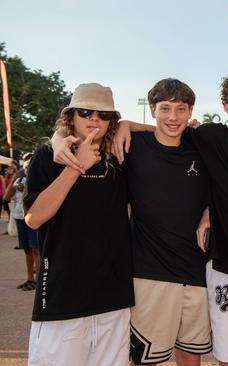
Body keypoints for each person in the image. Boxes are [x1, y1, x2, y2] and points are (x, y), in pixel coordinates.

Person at [112, 71, 228, 366]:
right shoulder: (209, 137)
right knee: (209, 357)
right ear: (226, 105)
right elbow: (167, 129)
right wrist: (124, 124)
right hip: (213, 267)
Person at [52, 79, 213, 366]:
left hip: (196, 270)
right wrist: (58, 138)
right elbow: (86, 136)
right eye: (165, 108)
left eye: (180, 109)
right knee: (146, 360)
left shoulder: (200, 146)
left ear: (190, 112)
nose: (172, 117)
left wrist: (208, 212)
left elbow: (225, 188)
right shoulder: (131, 146)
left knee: (191, 356)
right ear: (152, 110)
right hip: (149, 273)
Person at [24, 83, 133, 366]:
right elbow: (34, 218)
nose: (94, 119)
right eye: (85, 112)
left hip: (113, 299)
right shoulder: (47, 157)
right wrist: (76, 166)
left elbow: (167, 128)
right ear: (71, 116)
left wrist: (128, 125)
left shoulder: (120, 157)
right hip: (62, 298)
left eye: (103, 114)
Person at [7, 154, 39, 291]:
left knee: (36, 249)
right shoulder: (19, 178)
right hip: (20, 216)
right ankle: (30, 279)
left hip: (34, 216)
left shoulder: (39, 177)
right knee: (26, 249)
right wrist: (15, 179)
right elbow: (7, 197)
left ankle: (39, 280)